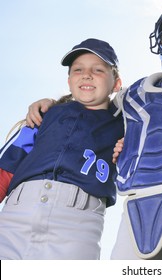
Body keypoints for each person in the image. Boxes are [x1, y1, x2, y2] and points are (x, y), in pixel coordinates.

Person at [24, 0, 162, 260]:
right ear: (160, 41)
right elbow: (94, 105)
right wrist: (54, 103)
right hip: (140, 199)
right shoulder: (134, 95)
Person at [0, 38, 124, 259]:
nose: (87, 75)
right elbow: (9, 164)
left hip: (78, 222)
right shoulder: (45, 114)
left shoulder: (126, 123)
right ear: (69, 81)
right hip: (17, 213)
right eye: (78, 70)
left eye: (98, 69)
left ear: (116, 83)